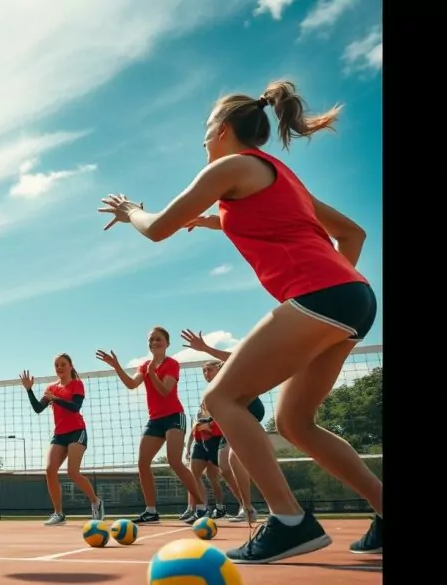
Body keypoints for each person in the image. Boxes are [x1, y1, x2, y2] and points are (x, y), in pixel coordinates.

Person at [97, 80, 381, 563]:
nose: (204, 142)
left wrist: (132, 212)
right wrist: (341, 292)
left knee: (221, 397)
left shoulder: (229, 166)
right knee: (295, 422)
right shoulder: (281, 177)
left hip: (323, 296)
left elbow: (159, 228)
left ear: (224, 130)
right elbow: (351, 232)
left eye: (206, 132)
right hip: (353, 300)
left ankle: (289, 520)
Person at [95, 327, 207, 525]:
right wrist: (116, 366)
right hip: (155, 420)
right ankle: (151, 511)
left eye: (158, 339)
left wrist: (153, 374)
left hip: (174, 416)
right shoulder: (145, 365)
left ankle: (201, 507)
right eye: (151, 339)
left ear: (167, 343)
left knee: (174, 461)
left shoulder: (172, 364)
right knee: (142, 462)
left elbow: (165, 390)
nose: (154, 342)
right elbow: (131, 384)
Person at [184, 331, 264, 524]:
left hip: (249, 412)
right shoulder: (211, 392)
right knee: (226, 467)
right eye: (204, 371)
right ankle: (247, 508)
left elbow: (235, 358)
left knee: (231, 462)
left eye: (210, 369)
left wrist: (205, 348)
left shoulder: (229, 372)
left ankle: (253, 508)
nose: (206, 373)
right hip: (233, 420)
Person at [20, 354, 105, 526]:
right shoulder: (51, 388)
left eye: (63, 364)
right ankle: (58, 513)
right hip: (60, 434)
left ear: (70, 366)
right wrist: (29, 390)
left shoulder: (77, 384)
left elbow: (75, 407)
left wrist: (55, 399)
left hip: (77, 432)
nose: (59, 368)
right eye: (56, 365)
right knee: (50, 470)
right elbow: (38, 408)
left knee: (72, 472)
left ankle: (96, 502)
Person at [181, 406, 226, 523]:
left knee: (212, 478)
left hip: (214, 443)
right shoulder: (199, 411)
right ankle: (202, 508)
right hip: (199, 443)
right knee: (193, 475)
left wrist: (209, 426)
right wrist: (188, 449)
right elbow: (193, 432)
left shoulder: (217, 406)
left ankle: (220, 507)